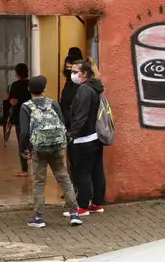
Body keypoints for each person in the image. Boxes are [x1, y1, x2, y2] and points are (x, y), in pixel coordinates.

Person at [19, 76, 81, 228]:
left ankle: (38, 218)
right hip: (56, 147)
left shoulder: (26, 107)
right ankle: (74, 213)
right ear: (44, 89)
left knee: (39, 182)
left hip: (38, 149)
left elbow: (24, 132)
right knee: (64, 179)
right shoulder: (53, 103)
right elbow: (62, 123)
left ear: (29, 89)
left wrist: (23, 148)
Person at [69, 58, 107, 216]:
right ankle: (97, 203)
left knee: (82, 172)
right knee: (97, 170)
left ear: (84, 73)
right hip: (95, 137)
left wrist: (71, 134)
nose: (72, 74)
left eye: (75, 72)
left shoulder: (85, 90)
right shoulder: (95, 87)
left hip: (84, 138)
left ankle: (83, 206)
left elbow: (81, 116)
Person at [59, 54, 81, 187]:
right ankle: (72, 188)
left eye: (70, 68)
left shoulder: (79, 87)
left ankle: (76, 188)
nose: (68, 71)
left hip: (75, 128)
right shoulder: (68, 84)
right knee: (71, 159)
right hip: (68, 127)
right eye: (66, 68)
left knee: (76, 160)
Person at [7, 63, 32, 177]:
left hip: (20, 117)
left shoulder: (16, 85)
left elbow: (14, 102)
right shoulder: (31, 84)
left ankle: (25, 169)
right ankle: (36, 167)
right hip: (33, 117)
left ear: (17, 73)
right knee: (33, 142)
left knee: (22, 143)